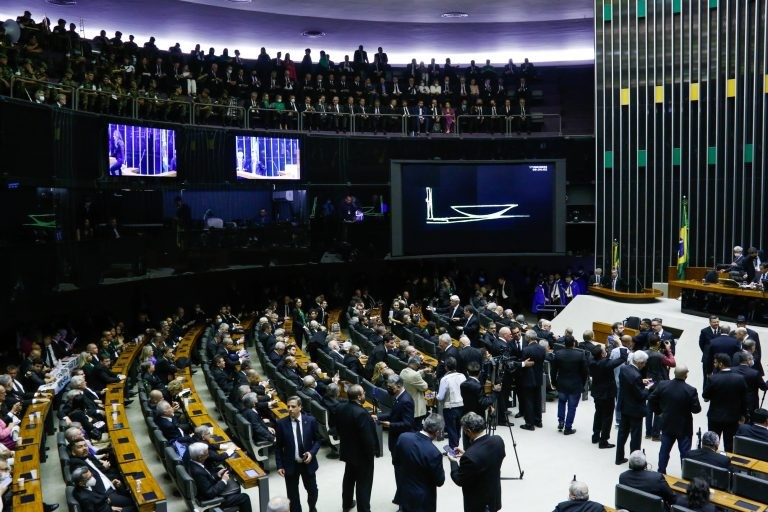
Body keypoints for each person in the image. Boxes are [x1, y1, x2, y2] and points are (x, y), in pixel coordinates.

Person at [646, 364, 701, 474]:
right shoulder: (691, 390)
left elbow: (651, 399)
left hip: (667, 423)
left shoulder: (663, 385)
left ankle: (661, 472)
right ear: (686, 375)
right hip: (684, 427)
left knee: (664, 450)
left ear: (674, 373)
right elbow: (696, 409)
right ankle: (686, 475)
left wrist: (659, 412)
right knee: (685, 454)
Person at [447, 412, 506, 512]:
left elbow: (459, 479)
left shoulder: (470, 456)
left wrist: (453, 462)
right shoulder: (498, 440)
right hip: (494, 497)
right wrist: (467, 453)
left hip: (479, 504)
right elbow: (488, 458)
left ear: (468, 431)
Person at [335, 384, 379, 512]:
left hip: (348, 451)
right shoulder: (361, 413)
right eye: (363, 393)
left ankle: (347, 504)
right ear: (359, 397)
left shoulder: (341, 407)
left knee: (348, 479)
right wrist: (372, 452)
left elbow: (339, 428)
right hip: (362, 456)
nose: (365, 395)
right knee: (364, 484)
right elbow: (367, 438)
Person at [274, 396, 322, 512]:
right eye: (288, 406)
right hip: (291, 464)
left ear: (300, 407)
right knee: (292, 496)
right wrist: (279, 465)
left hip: (307, 463)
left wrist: (312, 453)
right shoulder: (281, 423)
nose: (290, 409)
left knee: (313, 491)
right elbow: (278, 447)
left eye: (293, 406)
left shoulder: (310, 421)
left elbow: (318, 440)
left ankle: (312, 508)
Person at [374, 374, 414, 507]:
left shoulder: (406, 400)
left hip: (401, 442)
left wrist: (390, 425)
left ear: (399, 386)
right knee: (398, 472)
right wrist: (378, 417)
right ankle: (400, 496)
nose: (389, 389)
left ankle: (404, 504)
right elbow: (393, 414)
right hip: (396, 441)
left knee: (401, 473)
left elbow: (407, 424)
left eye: (391, 387)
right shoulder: (399, 397)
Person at [394, 413, 446, 512]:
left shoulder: (403, 437)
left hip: (404, 492)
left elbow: (396, 462)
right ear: (437, 432)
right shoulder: (434, 453)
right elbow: (440, 481)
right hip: (422, 501)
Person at [186, 443, 252, 512]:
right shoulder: (198, 472)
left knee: (236, 485)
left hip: (206, 489)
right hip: (211, 499)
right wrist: (223, 480)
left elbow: (205, 479)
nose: (208, 455)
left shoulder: (192, 463)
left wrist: (217, 475)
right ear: (200, 457)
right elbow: (210, 493)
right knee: (244, 497)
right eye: (207, 454)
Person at [702, 353, 748, 452]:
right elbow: (744, 399)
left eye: (715, 362)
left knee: (711, 444)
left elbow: (705, 395)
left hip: (715, 417)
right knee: (730, 444)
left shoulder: (713, 378)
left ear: (721, 364)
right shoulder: (740, 378)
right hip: (733, 417)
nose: (714, 364)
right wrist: (743, 414)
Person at [615, 351, 651, 465]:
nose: (645, 364)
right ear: (639, 363)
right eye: (644, 363)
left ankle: (619, 458)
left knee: (622, 433)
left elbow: (630, 383)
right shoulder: (637, 376)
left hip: (624, 406)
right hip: (635, 410)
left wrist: (641, 382)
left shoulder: (624, 369)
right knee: (635, 436)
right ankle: (634, 462)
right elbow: (641, 395)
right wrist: (647, 388)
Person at [589, 344, 626, 448]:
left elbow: (605, 357)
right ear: (602, 354)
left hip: (597, 392)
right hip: (607, 394)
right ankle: (604, 441)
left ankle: (595, 436)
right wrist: (620, 345)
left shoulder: (591, 361)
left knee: (598, 413)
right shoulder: (606, 363)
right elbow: (623, 358)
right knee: (607, 417)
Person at [551, 335, 589, 434]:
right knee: (572, 407)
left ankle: (561, 421)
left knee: (561, 402)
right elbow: (585, 372)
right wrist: (583, 383)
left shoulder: (558, 353)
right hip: (575, 385)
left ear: (564, 344)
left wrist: (554, 382)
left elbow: (553, 371)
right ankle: (568, 428)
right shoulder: (580, 355)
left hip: (562, 383)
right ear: (574, 343)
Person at [436, 357, 466, 448]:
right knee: (458, 428)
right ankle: (456, 446)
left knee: (451, 429)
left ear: (446, 367)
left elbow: (440, 397)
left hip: (450, 407)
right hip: (462, 406)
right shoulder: (462, 376)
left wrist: (435, 396)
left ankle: (453, 449)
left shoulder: (445, 379)